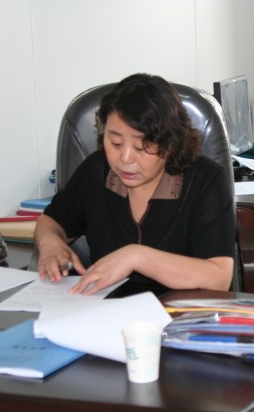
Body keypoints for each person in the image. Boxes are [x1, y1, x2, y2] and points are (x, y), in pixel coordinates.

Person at [34, 73, 235, 296]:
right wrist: (51, 244)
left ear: (171, 143)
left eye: (141, 147)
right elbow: (51, 221)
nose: (125, 158)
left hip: (177, 310)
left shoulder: (205, 180)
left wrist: (136, 257)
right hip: (104, 308)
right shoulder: (97, 171)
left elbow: (219, 278)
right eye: (115, 143)